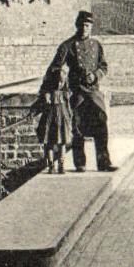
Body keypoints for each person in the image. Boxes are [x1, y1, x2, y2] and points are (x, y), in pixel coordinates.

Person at [59, 10, 115, 173]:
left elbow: (103, 66)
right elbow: (56, 67)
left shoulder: (96, 45)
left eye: (87, 25)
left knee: (101, 125)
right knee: (77, 128)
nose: (84, 28)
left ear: (91, 27)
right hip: (77, 93)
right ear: (77, 26)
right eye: (82, 25)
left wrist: (95, 76)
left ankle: (104, 162)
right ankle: (80, 163)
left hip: (94, 92)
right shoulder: (67, 46)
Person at [30, 55, 72, 173]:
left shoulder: (64, 90)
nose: (59, 84)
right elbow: (42, 100)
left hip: (60, 115)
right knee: (50, 141)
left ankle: (60, 165)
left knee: (61, 141)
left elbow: (69, 102)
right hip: (51, 115)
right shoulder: (49, 91)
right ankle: (52, 165)